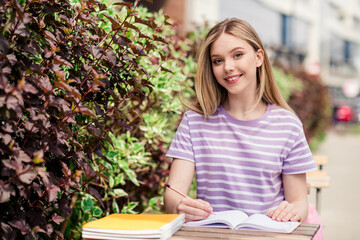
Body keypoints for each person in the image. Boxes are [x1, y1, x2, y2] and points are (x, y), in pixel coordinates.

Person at [164, 18, 317, 223]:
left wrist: (292, 212)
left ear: (259, 57)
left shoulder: (288, 126)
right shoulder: (193, 122)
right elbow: (173, 195)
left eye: (238, 55)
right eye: (218, 60)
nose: (228, 67)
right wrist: (180, 205)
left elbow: (299, 203)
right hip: (210, 237)